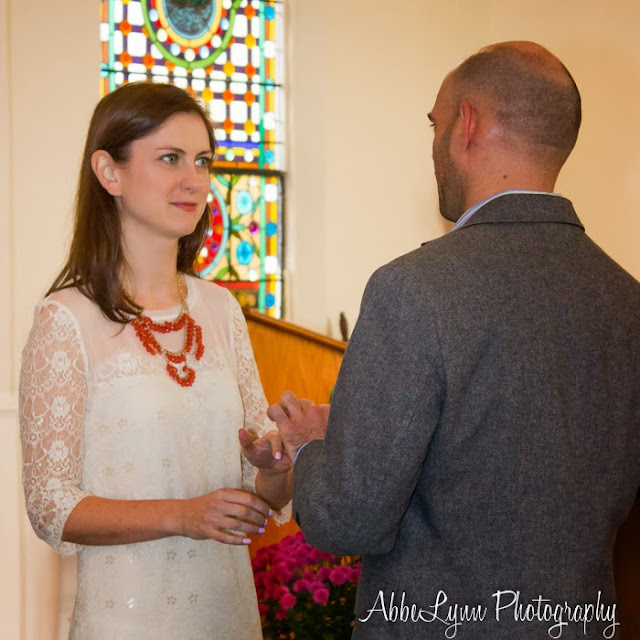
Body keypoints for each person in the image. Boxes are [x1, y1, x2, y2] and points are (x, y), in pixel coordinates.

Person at [268, 41, 640, 639]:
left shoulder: (414, 289)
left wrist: (313, 445)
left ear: (466, 124)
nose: (434, 143)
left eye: (434, 123)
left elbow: (347, 517)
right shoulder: (626, 299)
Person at [19, 81, 292, 639]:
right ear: (109, 172)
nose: (194, 180)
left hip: (227, 616)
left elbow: (257, 496)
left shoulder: (221, 310)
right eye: (170, 158)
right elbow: (51, 506)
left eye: (202, 161)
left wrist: (276, 465)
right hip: (127, 620)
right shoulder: (66, 319)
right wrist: (181, 515)